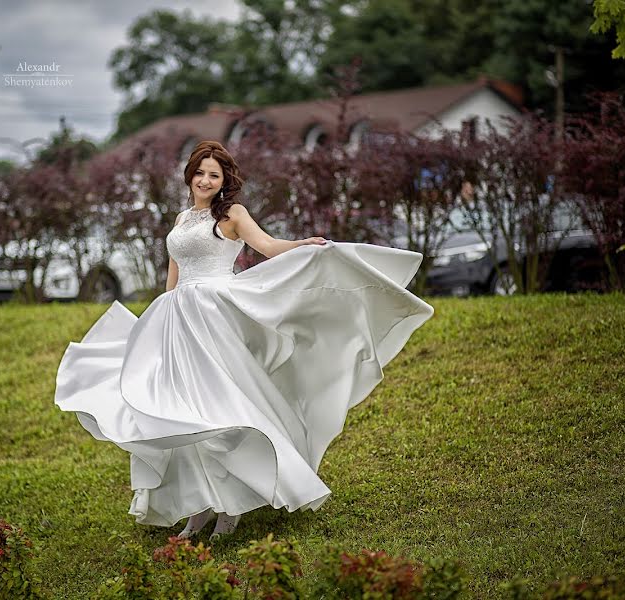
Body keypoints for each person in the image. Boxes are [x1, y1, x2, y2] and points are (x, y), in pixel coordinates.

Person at [54, 140, 435, 541]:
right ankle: (197, 510)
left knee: (219, 404)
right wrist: (154, 320)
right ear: (190, 176)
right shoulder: (182, 217)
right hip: (176, 318)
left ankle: (230, 509)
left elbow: (268, 247)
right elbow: (174, 274)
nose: (205, 180)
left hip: (213, 314)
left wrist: (302, 245)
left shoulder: (232, 214)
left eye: (213, 175)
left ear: (224, 181)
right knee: (178, 409)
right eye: (199, 173)